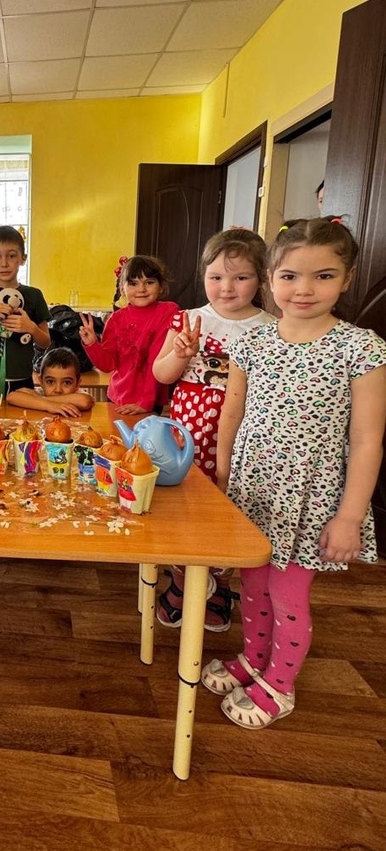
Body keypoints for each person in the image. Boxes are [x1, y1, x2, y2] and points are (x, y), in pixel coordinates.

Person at [203, 217, 386, 729]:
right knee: (253, 586)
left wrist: (349, 517)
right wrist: (222, 480)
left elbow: (367, 440)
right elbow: (232, 415)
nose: (304, 289)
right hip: (253, 489)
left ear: (347, 279)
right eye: (289, 276)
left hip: (310, 498)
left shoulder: (361, 348)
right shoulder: (253, 343)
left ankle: (279, 685)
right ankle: (253, 661)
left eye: (323, 276)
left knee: (287, 596)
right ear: (270, 278)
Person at [152, 229, 274, 631]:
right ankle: (181, 580)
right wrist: (180, 354)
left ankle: (218, 583)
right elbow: (161, 373)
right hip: (188, 434)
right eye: (216, 276)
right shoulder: (187, 319)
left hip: (244, 435)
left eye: (241, 277)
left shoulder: (272, 327)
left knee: (231, 510)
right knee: (185, 509)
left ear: (262, 278)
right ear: (203, 274)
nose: (227, 287)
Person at [79, 255, 178, 415]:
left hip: (149, 400)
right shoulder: (116, 319)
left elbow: (156, 359)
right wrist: (92, 344)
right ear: (122, 288)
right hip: (117, 397)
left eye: (149, 282)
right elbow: (108, 365)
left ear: (160, 286)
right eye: (133, 283)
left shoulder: (168, 311)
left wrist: (146, 402)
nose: (141, 289)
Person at [0, 225, 50, 400]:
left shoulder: (34, 295)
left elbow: (45, 342)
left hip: (21, 378)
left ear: (23, 258)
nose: (4, 263)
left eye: (11, 256)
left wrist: (31, 328)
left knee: (20, 418)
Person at [8, 347, 95, 416]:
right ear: (41, 381)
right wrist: (49, 405)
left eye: (67, 383)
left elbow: (85, 401)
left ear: (77, 384)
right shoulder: (40, 392)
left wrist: (41, 399)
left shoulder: (78, 394)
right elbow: (11, 397)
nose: (58, 390)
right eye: (50, 382)